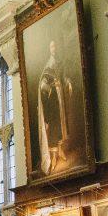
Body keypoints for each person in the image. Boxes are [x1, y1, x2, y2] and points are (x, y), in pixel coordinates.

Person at [35, 40, 70, 175]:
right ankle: (54, 156)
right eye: (51, 46)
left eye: (55, 46)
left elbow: (63, 76)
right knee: (55, 125)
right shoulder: (48, 64)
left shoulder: (59, 61)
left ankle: (60, 150)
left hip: (60, 98)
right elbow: (43, 85)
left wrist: (67, 82)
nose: (54, 48)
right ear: (49, 49)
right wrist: (49, 88)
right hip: (52, 102)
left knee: (62, 124)